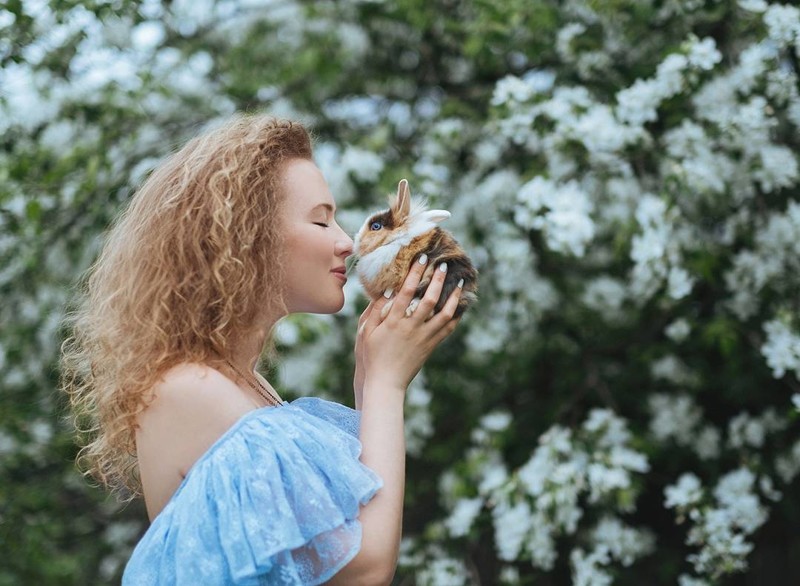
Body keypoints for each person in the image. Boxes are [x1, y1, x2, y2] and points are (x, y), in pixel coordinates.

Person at [61, 114, 463, 585]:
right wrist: (386, 386)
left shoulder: (242, 386)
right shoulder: (191, 389)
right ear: (247, 237)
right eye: (321, 220)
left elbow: (334, 544)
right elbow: (364, 571)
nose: (344, 243)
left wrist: (369, 379)